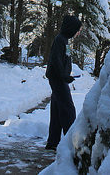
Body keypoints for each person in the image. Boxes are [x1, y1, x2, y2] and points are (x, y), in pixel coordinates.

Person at [45, 14, 82, 150]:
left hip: (60, 78)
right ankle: (72, 144)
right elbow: (56, 60)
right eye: (77, 30)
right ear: (71, 28)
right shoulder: (60, 40)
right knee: (68, 109)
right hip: (58, 80)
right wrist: (63, 76)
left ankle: (53, 143)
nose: (78, 33)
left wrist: (67, 74)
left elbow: (65, 59)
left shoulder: (64, 40)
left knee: (57, 111)